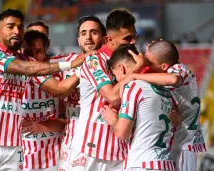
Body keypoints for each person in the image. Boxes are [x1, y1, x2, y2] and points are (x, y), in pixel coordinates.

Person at [0, 8, 86, 170]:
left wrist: (82, 68)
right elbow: (22, 68)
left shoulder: (28, 61)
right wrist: (70, 65)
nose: (16, 31)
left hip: (13, 146)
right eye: (10, 26)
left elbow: (57, 89)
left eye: (20, 27)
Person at [68, 9, 142, 171]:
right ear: (109, 39)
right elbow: (112, 96)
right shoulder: (95, 60)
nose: (133, 42)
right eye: (127, 38)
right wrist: (139, 68)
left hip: (121, 151)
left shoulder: (132, 60)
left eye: (134, 36)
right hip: (90, 149)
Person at [128, 40, 206, 171]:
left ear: (164, 66)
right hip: (178, 142)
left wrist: (135, 75)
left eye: (150, 62)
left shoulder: (178, 69)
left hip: (181, 144)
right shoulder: (173, 70)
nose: (148, 65)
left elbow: (173, 79)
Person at [101, 44, 175, 171]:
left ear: (122, 69)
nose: (117, 81)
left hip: (142, 164)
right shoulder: (165, 90)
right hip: (166, 164)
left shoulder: (133, 87)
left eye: (115, 76)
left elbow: (122, 133)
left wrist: (113, 120)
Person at [56, 15, 106, 171]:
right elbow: (36, 62)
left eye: (94, 32)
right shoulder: (66, 63)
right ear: (78, 40)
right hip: (72, 144)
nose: (88, 38)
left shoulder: (114, 64)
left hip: (105, 143)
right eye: (84, 33)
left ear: (104, 38)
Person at [21, 30, 66, 171]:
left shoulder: (59, 77)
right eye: (28, 53)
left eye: (39, 51)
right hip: (22, 161)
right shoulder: (11, 80)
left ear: (46, 51)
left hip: (56, 160)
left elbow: (70, 121)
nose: (33, 58)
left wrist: (43, 126)